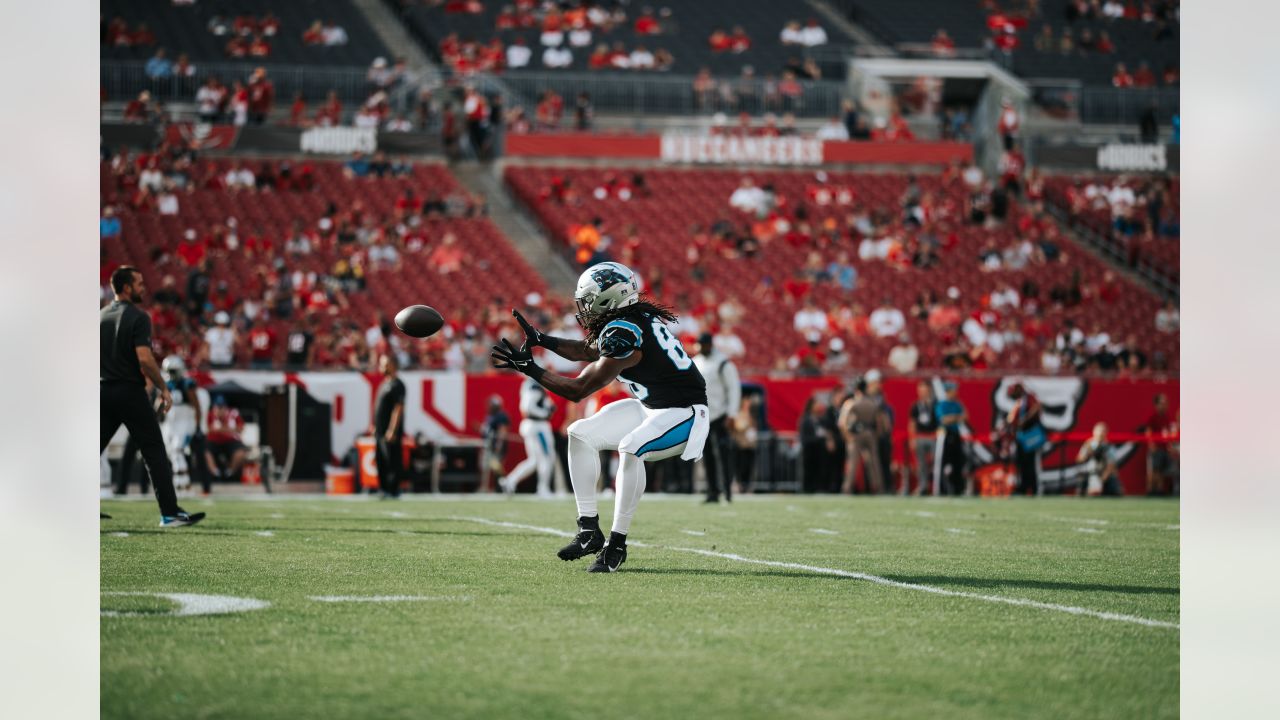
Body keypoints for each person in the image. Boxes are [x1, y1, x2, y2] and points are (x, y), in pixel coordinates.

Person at [490, 261, 709, 573]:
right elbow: (587, 350)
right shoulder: (629, 321)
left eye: (589, 301)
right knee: (580, 433)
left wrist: (530, 368)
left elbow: (579, 389)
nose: (584, 309)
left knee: (631, 447)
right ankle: (589, 530)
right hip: (651, 407)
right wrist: (542, 339)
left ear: (609, 299)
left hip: (685, 414)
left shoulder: (623, 333)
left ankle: (616, 546)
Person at [100, 267, 205, 526]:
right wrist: (163, 387)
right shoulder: (138, 316)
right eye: (138, 283)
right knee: (154, 450)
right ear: (126, 288)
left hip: (102, 390)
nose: (144, 287)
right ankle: (169, 512)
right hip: (129, 392)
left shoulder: (99, 316)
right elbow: (145, 359)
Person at [693, 332, 741, 504]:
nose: (701, 348)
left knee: (723, 454)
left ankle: (727, 492)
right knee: (707, 456)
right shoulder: (695, 362)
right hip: (702, 416)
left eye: (703, 344)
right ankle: (712, 492)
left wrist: (732, 413)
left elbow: (733, 389)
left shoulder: (723, 363)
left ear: (710, 345)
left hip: (720, 415)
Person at [501, 376, 558, 498]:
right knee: (547, 458)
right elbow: (527, 408)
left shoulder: (530, 386)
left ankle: (510, 481)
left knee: (534, 460)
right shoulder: (534, 387)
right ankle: (543, 489)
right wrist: (546, 412)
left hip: (533, 426)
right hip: (537, 426)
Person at [160, 355, 204, 494]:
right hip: (171, 422)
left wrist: (197, 426)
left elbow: (196, 406)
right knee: (172, 452)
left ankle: (182, 483)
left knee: (178, 450)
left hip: (185, 421)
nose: (171, 374)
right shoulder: (166, 384)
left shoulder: (187, 384)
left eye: (173, 371)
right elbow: (160, 403)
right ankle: (182, 483)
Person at [838, 378, 883, 494]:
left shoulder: (851, 403)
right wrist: (876, 435)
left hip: (855, 435)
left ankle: (847, 488)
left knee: (853, 463)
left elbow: (843, 423)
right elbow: (878, 422)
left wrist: (847, 436)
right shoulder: (872, 403)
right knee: (874, 463)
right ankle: (877, 487)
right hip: (869, 433)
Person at [372, 354, 406, 499]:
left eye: (384, 363)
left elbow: (398, 408)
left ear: (392, 365)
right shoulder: (384, 383)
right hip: (380, 430)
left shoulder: (398, 385)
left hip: (389, 431)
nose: (382, 366)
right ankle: (383, 489)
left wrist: (392, 430)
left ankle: (393, 490)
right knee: (380, 460)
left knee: (391, 459)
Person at [1006, 382, 1045, 496]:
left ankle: (1032, 487)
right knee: (1021, 462)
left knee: (1030, 462)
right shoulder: (1020, 401)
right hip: (1021, 436)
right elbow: (1012, 417)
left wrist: (1025, 419)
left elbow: (1037, 407)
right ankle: (1023, 486)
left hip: (1029, 435)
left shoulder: (1028, 398)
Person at [934, 381, 968, 496]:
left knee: (957, 462)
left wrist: (953, 418)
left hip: (955, 433)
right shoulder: (942, 405)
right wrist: (956, 417)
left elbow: (965, 416)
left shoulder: (957, 404)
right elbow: (944, 420)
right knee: (943, 462)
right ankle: (941, 489)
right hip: (945, 436)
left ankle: (957, 489)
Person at [204, 395, 246, 484]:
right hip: (214, 441)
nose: (220, 410)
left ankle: (230, 472)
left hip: (231, 441)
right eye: (218, 407)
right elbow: (208, 429)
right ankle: (215, 472)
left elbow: (241, 428)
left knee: (240, 453)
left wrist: (221, 429)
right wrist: (228, 429)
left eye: (221, 407)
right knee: (205, 450)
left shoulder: (233, 413)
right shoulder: (210, 414)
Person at [908, 382, 938, 496]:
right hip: (920, 437)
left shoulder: (935, 404)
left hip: (933, 437)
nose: (923, 394)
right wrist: (912, 439)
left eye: (925, 391)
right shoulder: (916, 406)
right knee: (921, 464)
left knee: (937, 462)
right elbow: (912, 423)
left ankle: (937, 486)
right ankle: (923, 485)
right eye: (921, 391)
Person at [1077, 423, 1123, 496]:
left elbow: (1111, 465)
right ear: (1094, 432)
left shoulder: (1109, 447)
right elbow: (1079, 459)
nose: (1101, 433)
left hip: (1104, 474)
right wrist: (1087, 455)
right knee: (1082, 483)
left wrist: (1103, 478)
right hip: (1090, 472)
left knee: (1114, 489)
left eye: (1103, 431)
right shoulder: (1088, 445)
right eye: (1099, 431)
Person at [481, 395, 511, 493]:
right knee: (488, 467)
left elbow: (502, 432)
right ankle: (489, 487)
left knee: (497, 468)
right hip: (489, 446)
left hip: (496, 447)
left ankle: (501, 488)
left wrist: (499, 445)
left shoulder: (501, 416)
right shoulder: (490, 416)